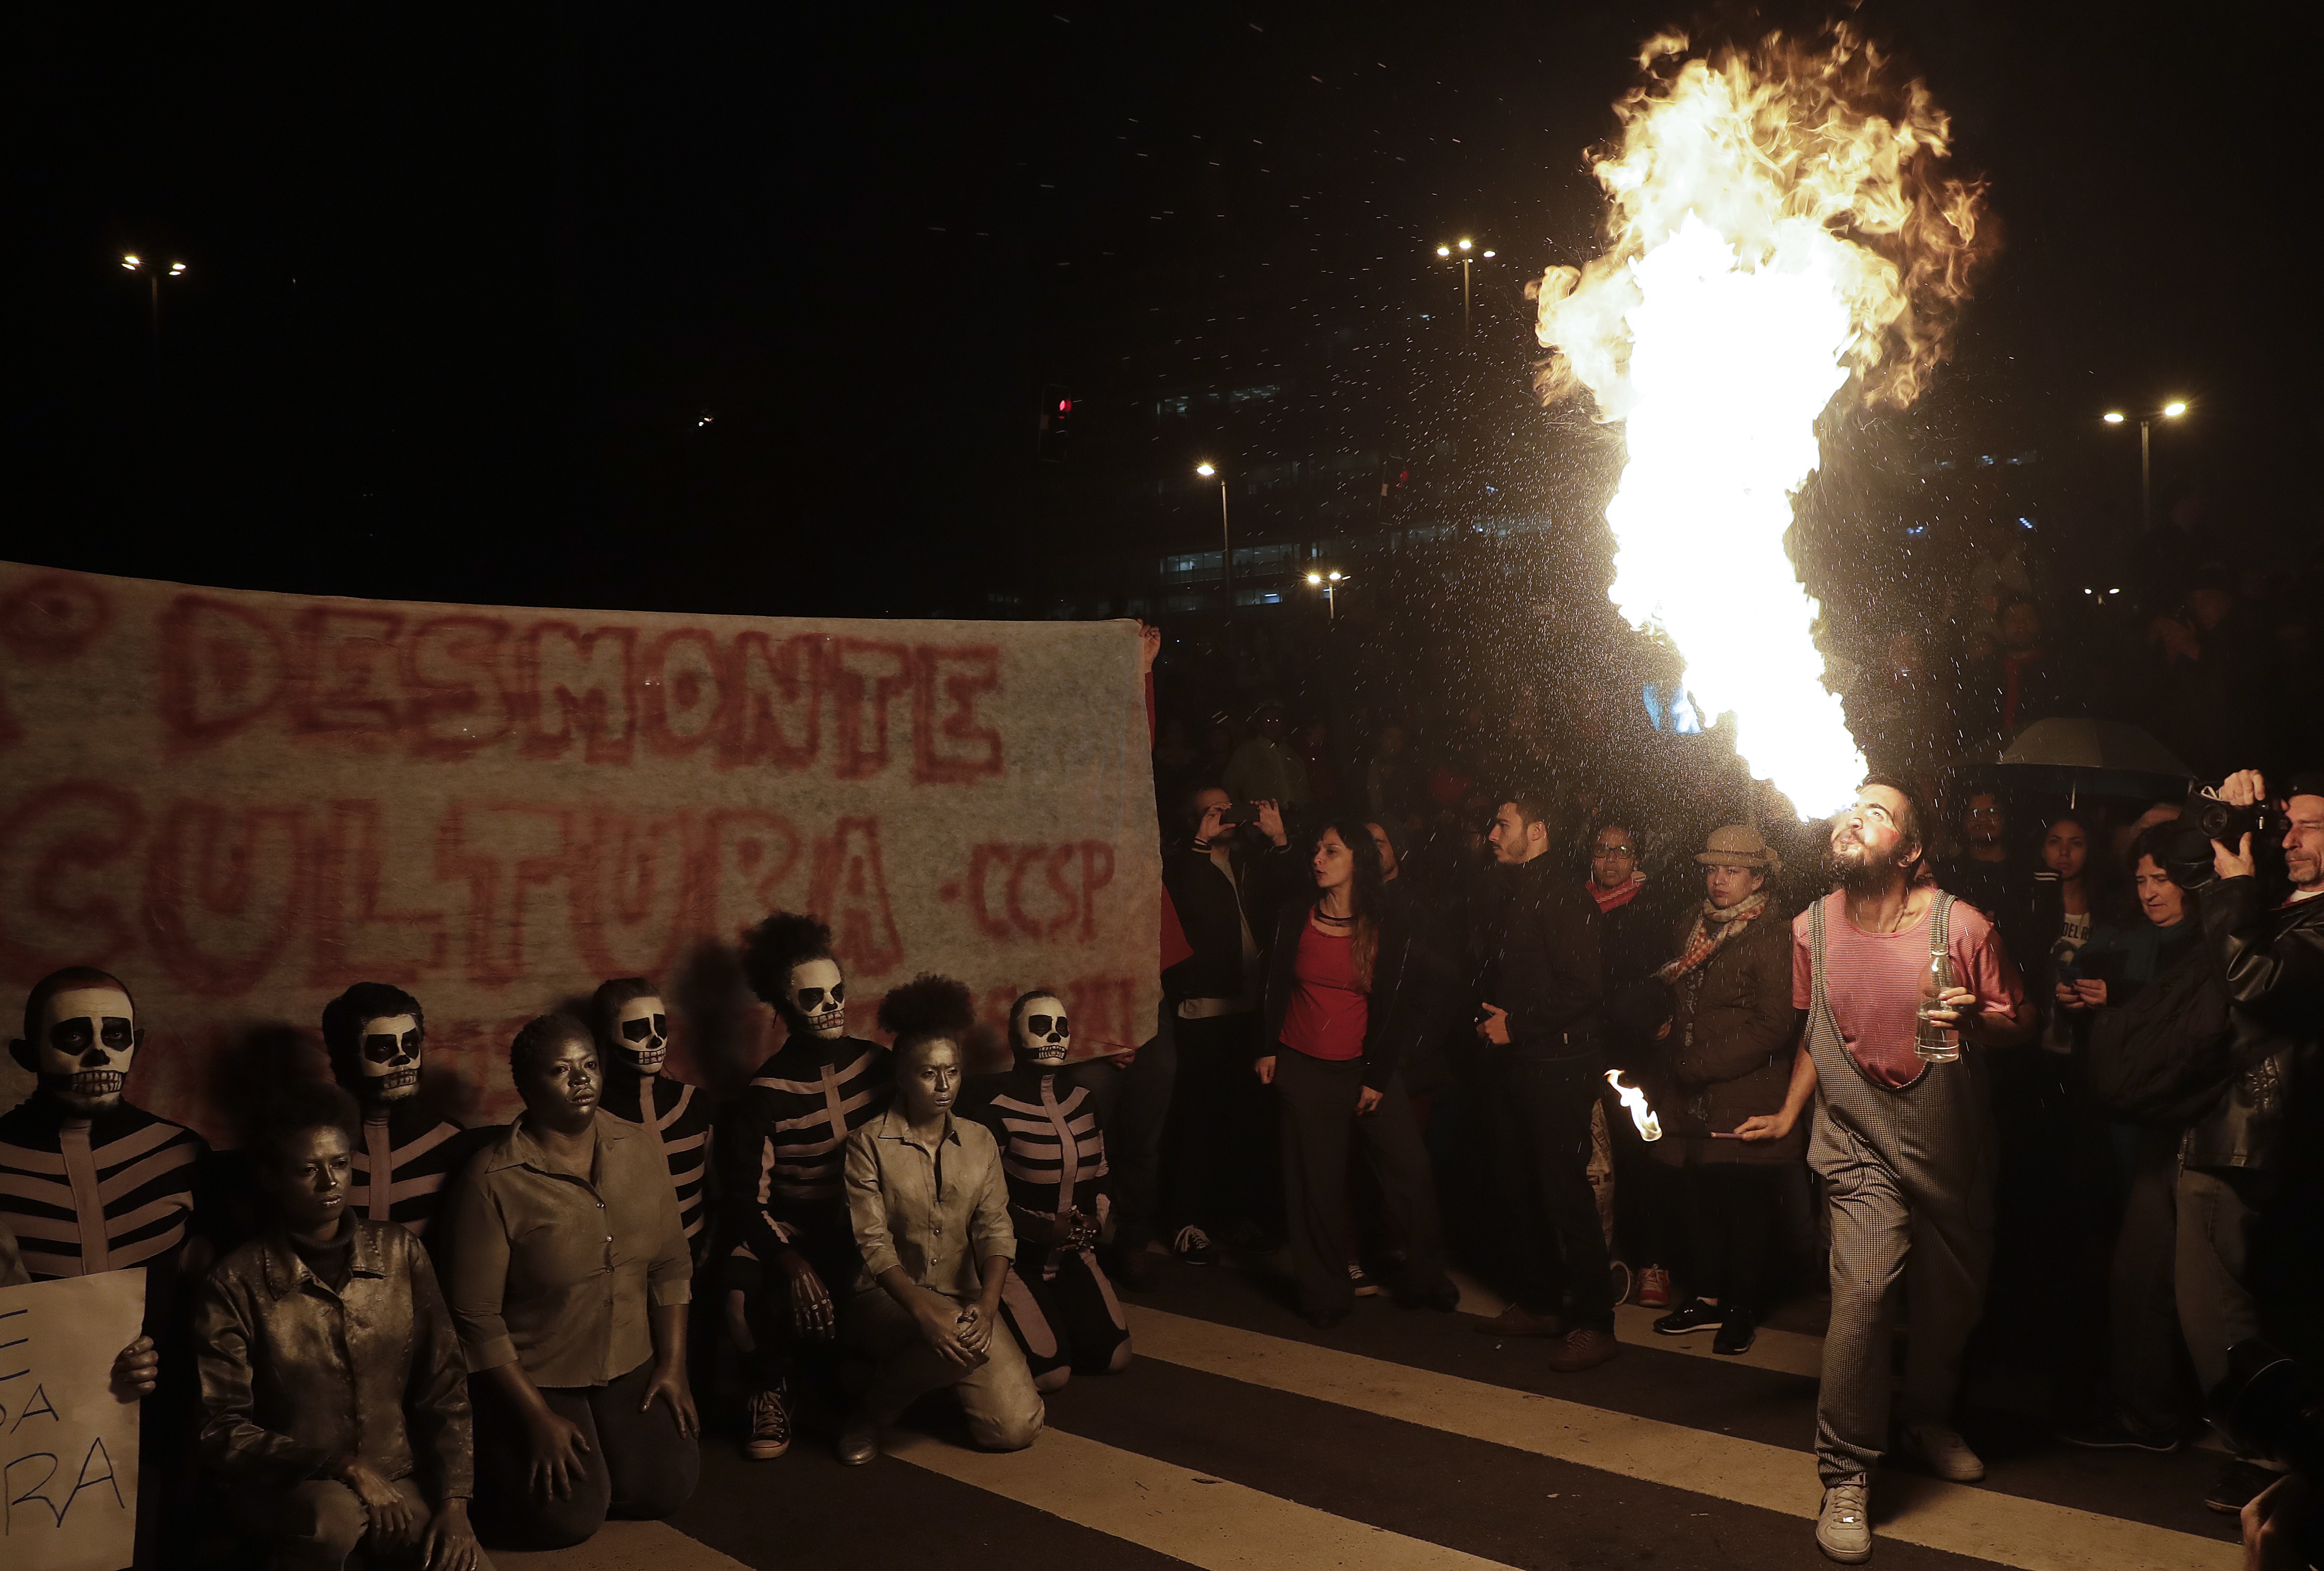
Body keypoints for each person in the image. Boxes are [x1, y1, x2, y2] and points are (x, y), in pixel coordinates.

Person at [1737, 777, 2028, 1565]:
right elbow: (1819, 1030)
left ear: (1910, 849)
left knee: (1946, 1305)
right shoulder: (1809, 927)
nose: (1853, 817)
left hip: (1947, 1144)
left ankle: (1925, 1415)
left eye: (1878, 812)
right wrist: (1792, 1111)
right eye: (1851, 806)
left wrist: (1976, 1017)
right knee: (1862, 1299)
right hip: (1854, 1143)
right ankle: (1845, 1472)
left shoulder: (1959, 924)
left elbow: (2022, 1020)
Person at [193, 1082, 485, 1571]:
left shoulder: (401, 1253)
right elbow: (220, 1429)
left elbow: (445, 1385)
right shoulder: (235, 1281)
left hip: (395, 1480)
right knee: (334, 1521)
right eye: (308, 1169)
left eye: (341, 1164)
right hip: (290, 1488)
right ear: (270, 1177)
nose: (330, 1182)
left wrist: (455, 1504)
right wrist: (341, 1466)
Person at [442, 1014, 697, 1549]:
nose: (581, 1080)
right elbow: (475, 1318)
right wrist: (536, 1418)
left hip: (628, 1356)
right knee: (570, 1518)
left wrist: (672, 1365)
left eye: (589, 1065)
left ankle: (603, 1461)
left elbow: (670, 1266)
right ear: (527, 1086)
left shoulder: (638, 1148)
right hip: (540, 1374)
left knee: (665, 1489)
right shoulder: (491, 1180)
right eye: (561, 1070)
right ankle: (502, 1450)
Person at [2179, 768, 2324, 1515]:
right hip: (2234, 1121)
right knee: (2235, 1294)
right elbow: (2181, 858)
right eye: (2285, 823)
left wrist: (2235, 883)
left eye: (2308, 826)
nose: (2289, 838)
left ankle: (2267, 1449)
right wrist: (2225, 808)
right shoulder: (2278, 894)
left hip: (2256, 1131)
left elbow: (2254, 979)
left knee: (2221, 1303)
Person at [1257, 819, 1460, 1327]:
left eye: (1331, 851)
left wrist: (1376, 1077)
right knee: (1315, 1186)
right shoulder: (1295, 915)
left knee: (1411, 1173)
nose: (1317, 859)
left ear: (1358, 862)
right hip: (1303, 1066)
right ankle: (1324, 1294)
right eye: (1316, 850)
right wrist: (1265, 1049)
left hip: (1363, 1068)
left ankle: (1425, 1275)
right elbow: (1272, 984)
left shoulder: (1386, 923)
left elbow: (1396, 1008)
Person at [837, 976, 1043, 1464]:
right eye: (929, 1073)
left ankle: (928, 1372)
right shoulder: (867, 1144)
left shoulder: (979, 1140)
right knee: (952, 1336)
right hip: (885, 1297)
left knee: (1014, 1430)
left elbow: (995, 1229)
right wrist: (923, 1310)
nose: (945, 1085)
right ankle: (870, 1413)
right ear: (903, 1077)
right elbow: (872, 1244)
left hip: (964, 1298)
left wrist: (987, 1307)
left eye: (952, 1071)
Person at [719, 910, 892, 1460]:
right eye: (814, 998)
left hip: (869, 1225)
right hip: (793, 1228)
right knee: (737, 1294)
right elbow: (746, 1200)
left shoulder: (879, 1065)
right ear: (785, 1002)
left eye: (838, 992)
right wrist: (791, 1263)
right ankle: (769, 1388)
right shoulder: (766, 1091)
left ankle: (845, 1370)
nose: (832, 1006)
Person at [2056, 826, 2204, 1457]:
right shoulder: (2130, 935)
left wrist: (2119, 1002)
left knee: (2169, 1275)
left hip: (2179, 1125)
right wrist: (2074, 992)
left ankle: (2165, 1408)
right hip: (2124, 1120)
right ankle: (2142, 1402)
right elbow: (2083, 969)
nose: (2149, 891)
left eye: (2161, 879)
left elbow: (2182, 1027)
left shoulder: (2207, 944)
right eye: (2141, 879)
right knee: (2128, 1263)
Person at [1638, 826, 1797, 1357]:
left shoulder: (1774, 936)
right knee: (1698, 1198)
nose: (1719, 880)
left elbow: (1774, 1025)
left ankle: (1740, 1309)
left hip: (1745, 1090)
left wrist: (1698, 1063)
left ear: (1758, 878)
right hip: (1689, 1090)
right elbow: (1678, 996)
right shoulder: (1692, 923)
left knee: (1744, 1204)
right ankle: (1705, 1299)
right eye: (1711, 869)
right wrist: (1662, 1026)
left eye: (1732, 871)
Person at [1470, 794, 1615, 1373]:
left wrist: (1516, 1025)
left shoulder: (1561, 894)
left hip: (1557, 1066)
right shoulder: (1516, 890)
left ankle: (1595, 1323)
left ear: (1536, 830)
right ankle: (1539, 1304)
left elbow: (1584, 986)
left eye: (1501, 824)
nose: (1491, 835)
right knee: (1518, 1186)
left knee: (1563, 1193)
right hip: (1520, 1063)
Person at [961, 991, 1132, 1390]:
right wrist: (1039, 1229)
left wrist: (1097, 1220)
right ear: (1015, 1037)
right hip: (1015, 1262)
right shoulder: (993, 1109)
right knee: (1052, 1375)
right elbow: (977, 1200)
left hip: (1075, 1255)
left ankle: (1056, 1316)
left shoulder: (1084, 1100)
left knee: (1114, 1357)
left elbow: (1102, 1172)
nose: (1054, 1036)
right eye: (1040, 1027)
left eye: (1061, 1027)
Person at [1159, 786, 1296, 1265]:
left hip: (1251, 1013)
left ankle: (1231, 1216)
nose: (1225, 817)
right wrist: (1200, 845)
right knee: (1196, 1120)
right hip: (1201, 1013)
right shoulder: (1180, 865)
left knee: (1243, 1124)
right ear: (1194, 821)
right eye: (1213, 811)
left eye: (1228, 808)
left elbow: (1295, 897)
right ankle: (1186, 1221)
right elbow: (1188, 905)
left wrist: (1279, 841)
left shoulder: (1250, 865)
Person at [1587, 816, 1681, 1311]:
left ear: (1636, 860)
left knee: (1643, 1157)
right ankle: (1600, 1259)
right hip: (1588, 1050)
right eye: (1602, 849)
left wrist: (1661, 1013)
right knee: (1593, 1162)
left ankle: (1652, 1263)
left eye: (1621, 851)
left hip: (1638, 1055)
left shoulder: (1653, 909)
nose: (1610, 859)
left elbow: (1668, 974)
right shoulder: (1575, 905)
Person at [322, 982, 492, 1245]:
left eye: (410, 1044)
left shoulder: (449, 1141)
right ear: (347, 1057)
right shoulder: (319, 1145)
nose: (403, 1059)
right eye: (383, 1048)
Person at [591, 977, 715, 1256]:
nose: (656, 1039)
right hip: (628, 1267)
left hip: (699, 1259)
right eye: (638, 1030)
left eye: (660, 1026)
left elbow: (720, 1191)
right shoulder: (593, 1118)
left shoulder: (695, 1103)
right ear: (607, 1036)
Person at [1223, 699, 1312, 813]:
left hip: (1297, 817)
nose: (1273, 725)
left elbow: (1305, 789)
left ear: (1284, 724)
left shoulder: (1293, 754)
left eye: (1277, 720)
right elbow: (1229, 789)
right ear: (1260, 724)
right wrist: (1245, 814)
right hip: (1263, 819)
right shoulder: (1246, 752)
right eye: (1267, 721)